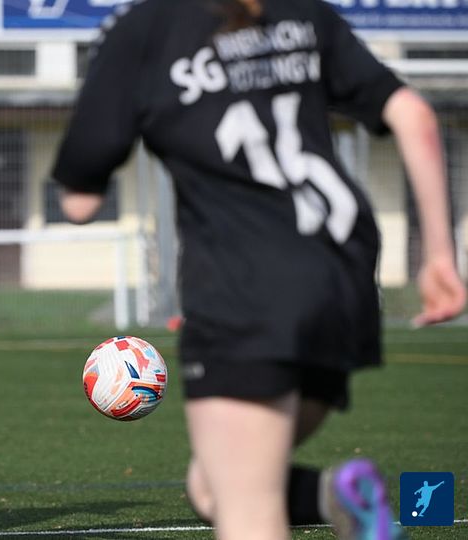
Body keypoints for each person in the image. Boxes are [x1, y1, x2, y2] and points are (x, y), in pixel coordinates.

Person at [51, 1, 466, 539]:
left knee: (247, 512)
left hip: (247, 284)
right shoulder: (300, 12)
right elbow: (414, 114)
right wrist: (439, 256)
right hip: (343, 276)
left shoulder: (143, 29)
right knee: (213, 488)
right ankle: (338, 494)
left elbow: (80, 202)